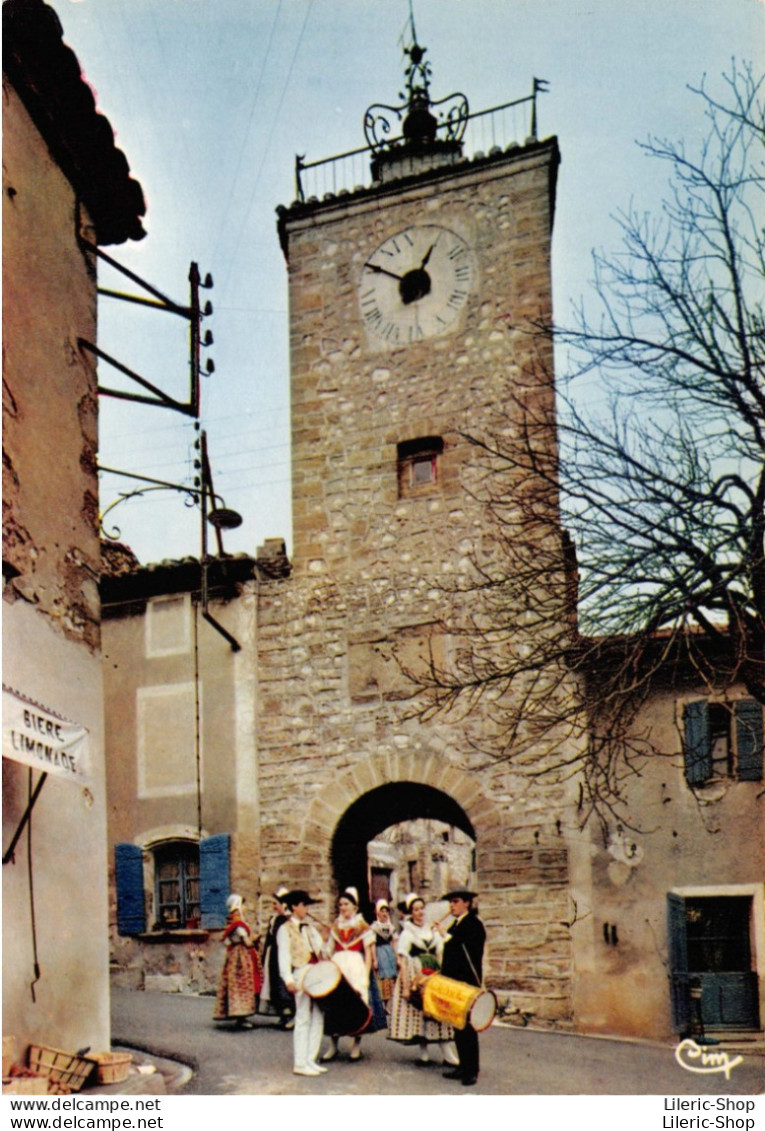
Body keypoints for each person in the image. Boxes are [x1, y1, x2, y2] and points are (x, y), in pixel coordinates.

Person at [388, 893, 458, 1066]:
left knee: (438, 1011)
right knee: (419, 1012)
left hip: (433, 974)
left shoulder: (431, 930)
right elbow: (403, 960)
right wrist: (405, 987)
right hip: (415, 974)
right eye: (416, 909)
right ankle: (424, 1053)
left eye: (422, 908)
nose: (420, 912)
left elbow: (440, 953)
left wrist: (444, 975)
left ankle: (448, 1054)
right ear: (411, 912)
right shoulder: (407, 933)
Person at [321, 886, 382, 1062]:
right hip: (338, 967)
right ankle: (333, 1046)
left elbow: (369, 954)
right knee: (335, 1005)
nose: (343, 908)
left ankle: (356, 1046)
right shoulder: (335, 927)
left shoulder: (363, 927)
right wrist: (325, 939)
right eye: (340, 904)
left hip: (355, 968)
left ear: (354, 906)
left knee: (356, 1005)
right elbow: (328, 952)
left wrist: (366, 976)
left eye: (346, 904)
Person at [276, 889, 328, 1077]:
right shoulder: (285, 929)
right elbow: (283, 956)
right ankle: (299, 1062)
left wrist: (327, 936)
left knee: (318, 1015)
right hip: (301, 974)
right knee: (303, 1017)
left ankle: (310, 1059)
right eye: (304, 905)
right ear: (294, 907)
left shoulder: (309, 928)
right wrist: (288, 979)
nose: (307, 908)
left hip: (315, 973)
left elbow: (321, 949)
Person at [437, 889, 486, 1087]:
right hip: (455, 984)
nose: (452, 906)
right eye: (450, 903)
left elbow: (466, 950)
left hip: (467, 984)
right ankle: (462, 1066)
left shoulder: (473, 924)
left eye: (456, 902)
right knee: (458, 1025)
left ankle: (471, 1070)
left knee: (467, 1026)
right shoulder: (456, 923)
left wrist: (445, 936)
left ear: (467, 903)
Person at [213, 894, 262, 1028]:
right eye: (243, 904)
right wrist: (256, 939)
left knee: (236, 984)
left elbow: (227, 941)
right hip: (241, 957)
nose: (245, 907)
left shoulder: (231, 922)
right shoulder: (238, 925)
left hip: (234, 956)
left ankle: (239, 1015)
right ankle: (242, 1017)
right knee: (243, 984)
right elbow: (247, 942)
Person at [259, 886, 295, 1028]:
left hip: (284, 954)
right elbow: (269, 938)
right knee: (274, 983)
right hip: (273, 954)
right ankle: (282, 1014)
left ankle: (291, 1014)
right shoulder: (274, 919)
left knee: (283, 982)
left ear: (284, 904)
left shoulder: (288, 920)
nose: (274, 906)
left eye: (276, 903)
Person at [370, 898, 398, 1011]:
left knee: (391, 977)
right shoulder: (374, 927)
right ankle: (384, 1004)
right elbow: (372, 943)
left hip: (389, 953)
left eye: (386, 911)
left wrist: (396, 955)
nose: (384, 913)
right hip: (380, 952)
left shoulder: (390, 927)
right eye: (382, 911)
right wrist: (374, 959)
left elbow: (394, 942)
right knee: (383, 978)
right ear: (378, 912)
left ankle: (391, 1003)